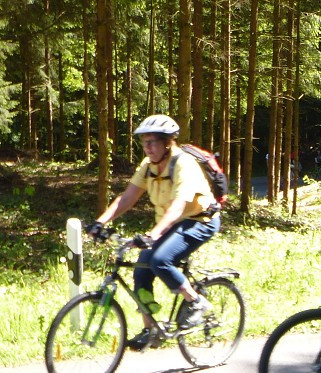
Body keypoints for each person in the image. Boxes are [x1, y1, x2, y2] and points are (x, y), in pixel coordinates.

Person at [86, 114, 220, 352]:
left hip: (199, 221)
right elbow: (127, 198)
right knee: (141, 272)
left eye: (153, 142)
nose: (147, 147)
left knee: (160, 260)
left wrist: (153, 234)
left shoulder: (183, 164)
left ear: (168, 142)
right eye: (144, 142)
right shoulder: (148, 166)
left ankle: (196, 302)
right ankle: (151, 329)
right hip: (170, 224)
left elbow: (179, 206)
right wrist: (100, 222)